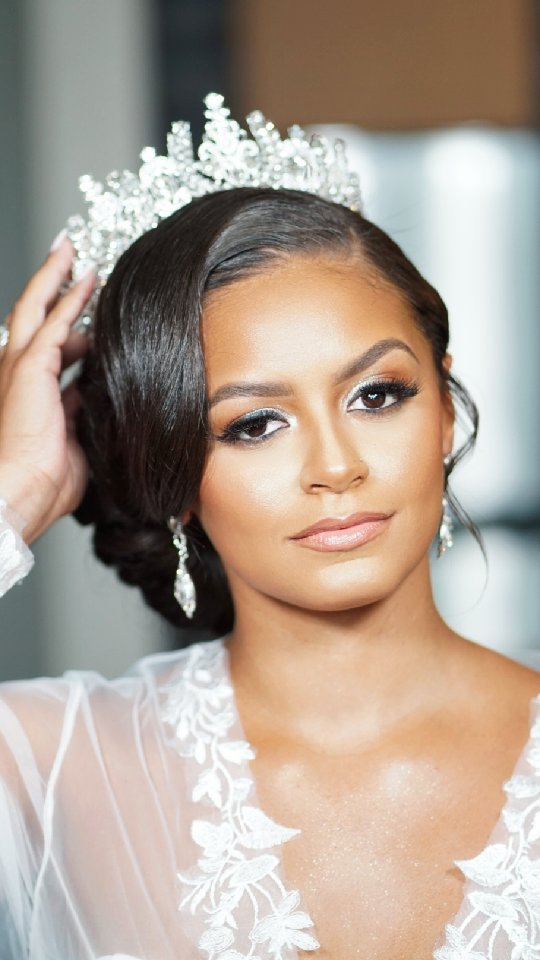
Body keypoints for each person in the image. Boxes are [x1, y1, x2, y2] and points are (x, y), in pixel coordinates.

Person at [0, 99, 538, 960]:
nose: (336, 465)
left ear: (443, 411)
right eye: (254, 424)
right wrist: (15, 492)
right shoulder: (49, 769)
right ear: (173, 474)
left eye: (377, 395)